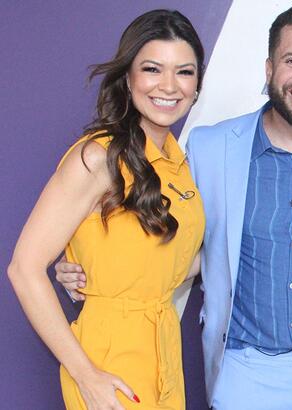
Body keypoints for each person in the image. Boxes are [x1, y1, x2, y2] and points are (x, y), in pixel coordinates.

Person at [59, 4, 292, 410]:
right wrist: (92, 274)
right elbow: (173, 237)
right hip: (243, 370)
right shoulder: (208, 148)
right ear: (269, 68)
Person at [8, 9, 205, 409]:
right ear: (128, 78)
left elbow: (175, 261)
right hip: (108, 360)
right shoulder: (97, 157)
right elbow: (24, 270)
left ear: (197, 84)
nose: (169, 86)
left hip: (164, 351)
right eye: (152, 69)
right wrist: (87, 376)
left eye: (183, 72)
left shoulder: (176, 163)